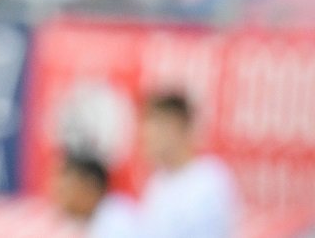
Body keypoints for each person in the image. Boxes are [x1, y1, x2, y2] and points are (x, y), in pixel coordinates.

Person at [139, 92, 238, 238]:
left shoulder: (209, 181)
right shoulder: (157, 181)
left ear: (176, 128)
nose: (148, 138)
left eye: (156, 128)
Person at [53, 151, 140, 238]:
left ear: (89, 185)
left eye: (68, 186)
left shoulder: (118, 220)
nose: (59, 188)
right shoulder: (80, 221)